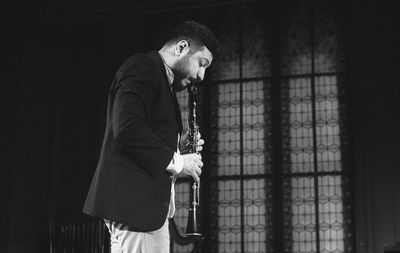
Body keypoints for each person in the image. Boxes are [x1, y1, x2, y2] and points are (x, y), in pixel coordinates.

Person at [82, 21, 220, 253]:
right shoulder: (143, 66)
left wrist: (179, 147)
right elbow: (128, 128)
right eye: (201, 64)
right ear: (181, 48)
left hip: (138, 210)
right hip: (137, 209)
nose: (201, 75)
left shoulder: (161, 80)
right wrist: (179, 163)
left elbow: (140, 132)